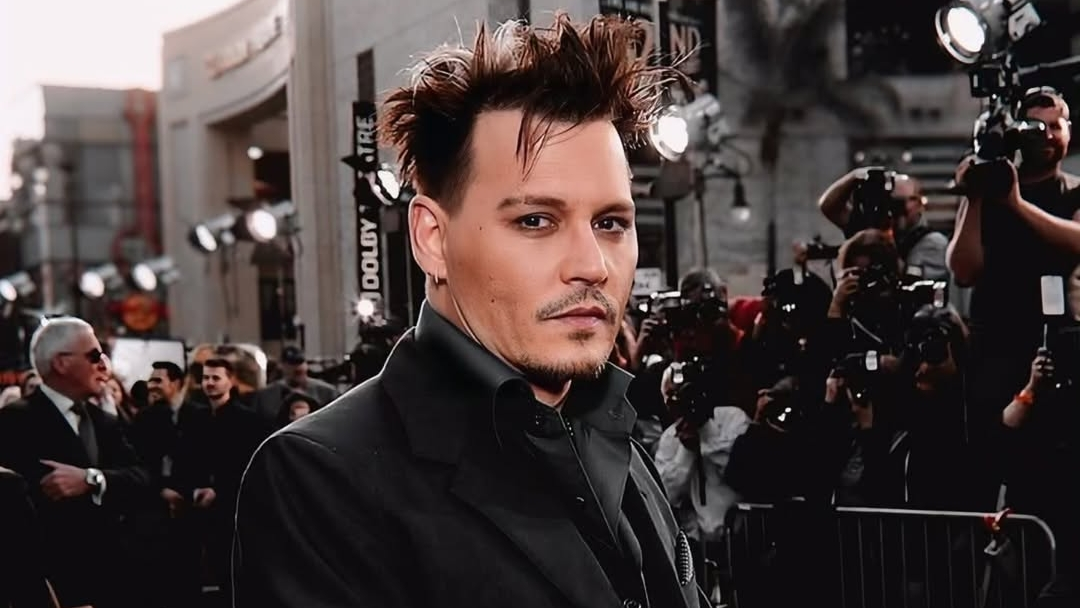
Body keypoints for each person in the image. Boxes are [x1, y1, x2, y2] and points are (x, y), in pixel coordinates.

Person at [234, 12, 704, 608]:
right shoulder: (321, 477)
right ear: (433, 239)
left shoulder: (619, 442)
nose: (592, 264)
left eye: (611, 223)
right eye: (536, 221)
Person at [0, 317, 149, 608]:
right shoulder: (13, 422)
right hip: (53, 583)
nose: (104, 364)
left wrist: (92, 479)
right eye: (94, 355)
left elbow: (143, 478)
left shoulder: (105, 422)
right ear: (61, 363)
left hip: (114, 577)